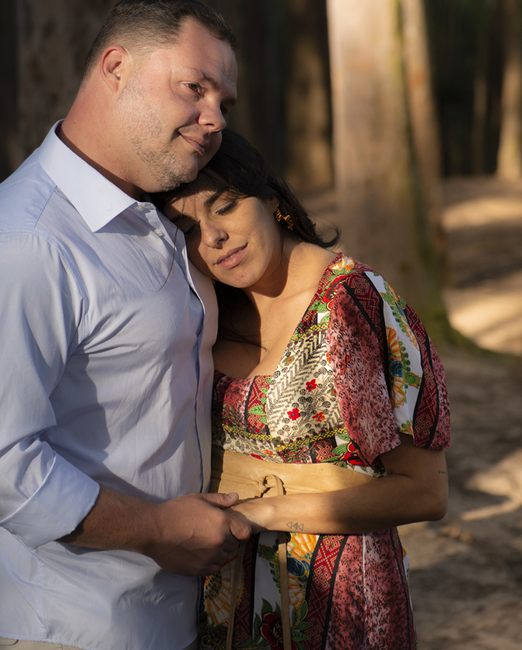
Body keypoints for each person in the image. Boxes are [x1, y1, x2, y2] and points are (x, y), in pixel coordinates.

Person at [0, 0, 253, 650]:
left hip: (171, 615)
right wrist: (161, 530)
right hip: (76, 626)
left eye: (223, 102)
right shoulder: (26, 242)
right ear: (115, 67)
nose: (213, 117)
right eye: (193, 87)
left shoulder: (164, 214)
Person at [164, 131, 451, 650]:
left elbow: (426, 491)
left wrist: (263, 512)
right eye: (187, 228)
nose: (213, 237)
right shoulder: (200, 312)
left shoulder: (354, 303)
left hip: (341, 604)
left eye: (225, 207)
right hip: (219, 596)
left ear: (272, 202)